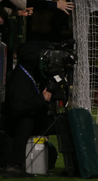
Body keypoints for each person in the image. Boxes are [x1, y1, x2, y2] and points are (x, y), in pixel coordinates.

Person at [1, 41, 54, 174]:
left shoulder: (31, 74)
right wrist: (41, 99)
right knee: (26, 120)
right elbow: (18, 108)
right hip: (15, 124)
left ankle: (78, 162)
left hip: (36, 117)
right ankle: (16, 164)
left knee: (63, 121)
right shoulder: (19, 78)